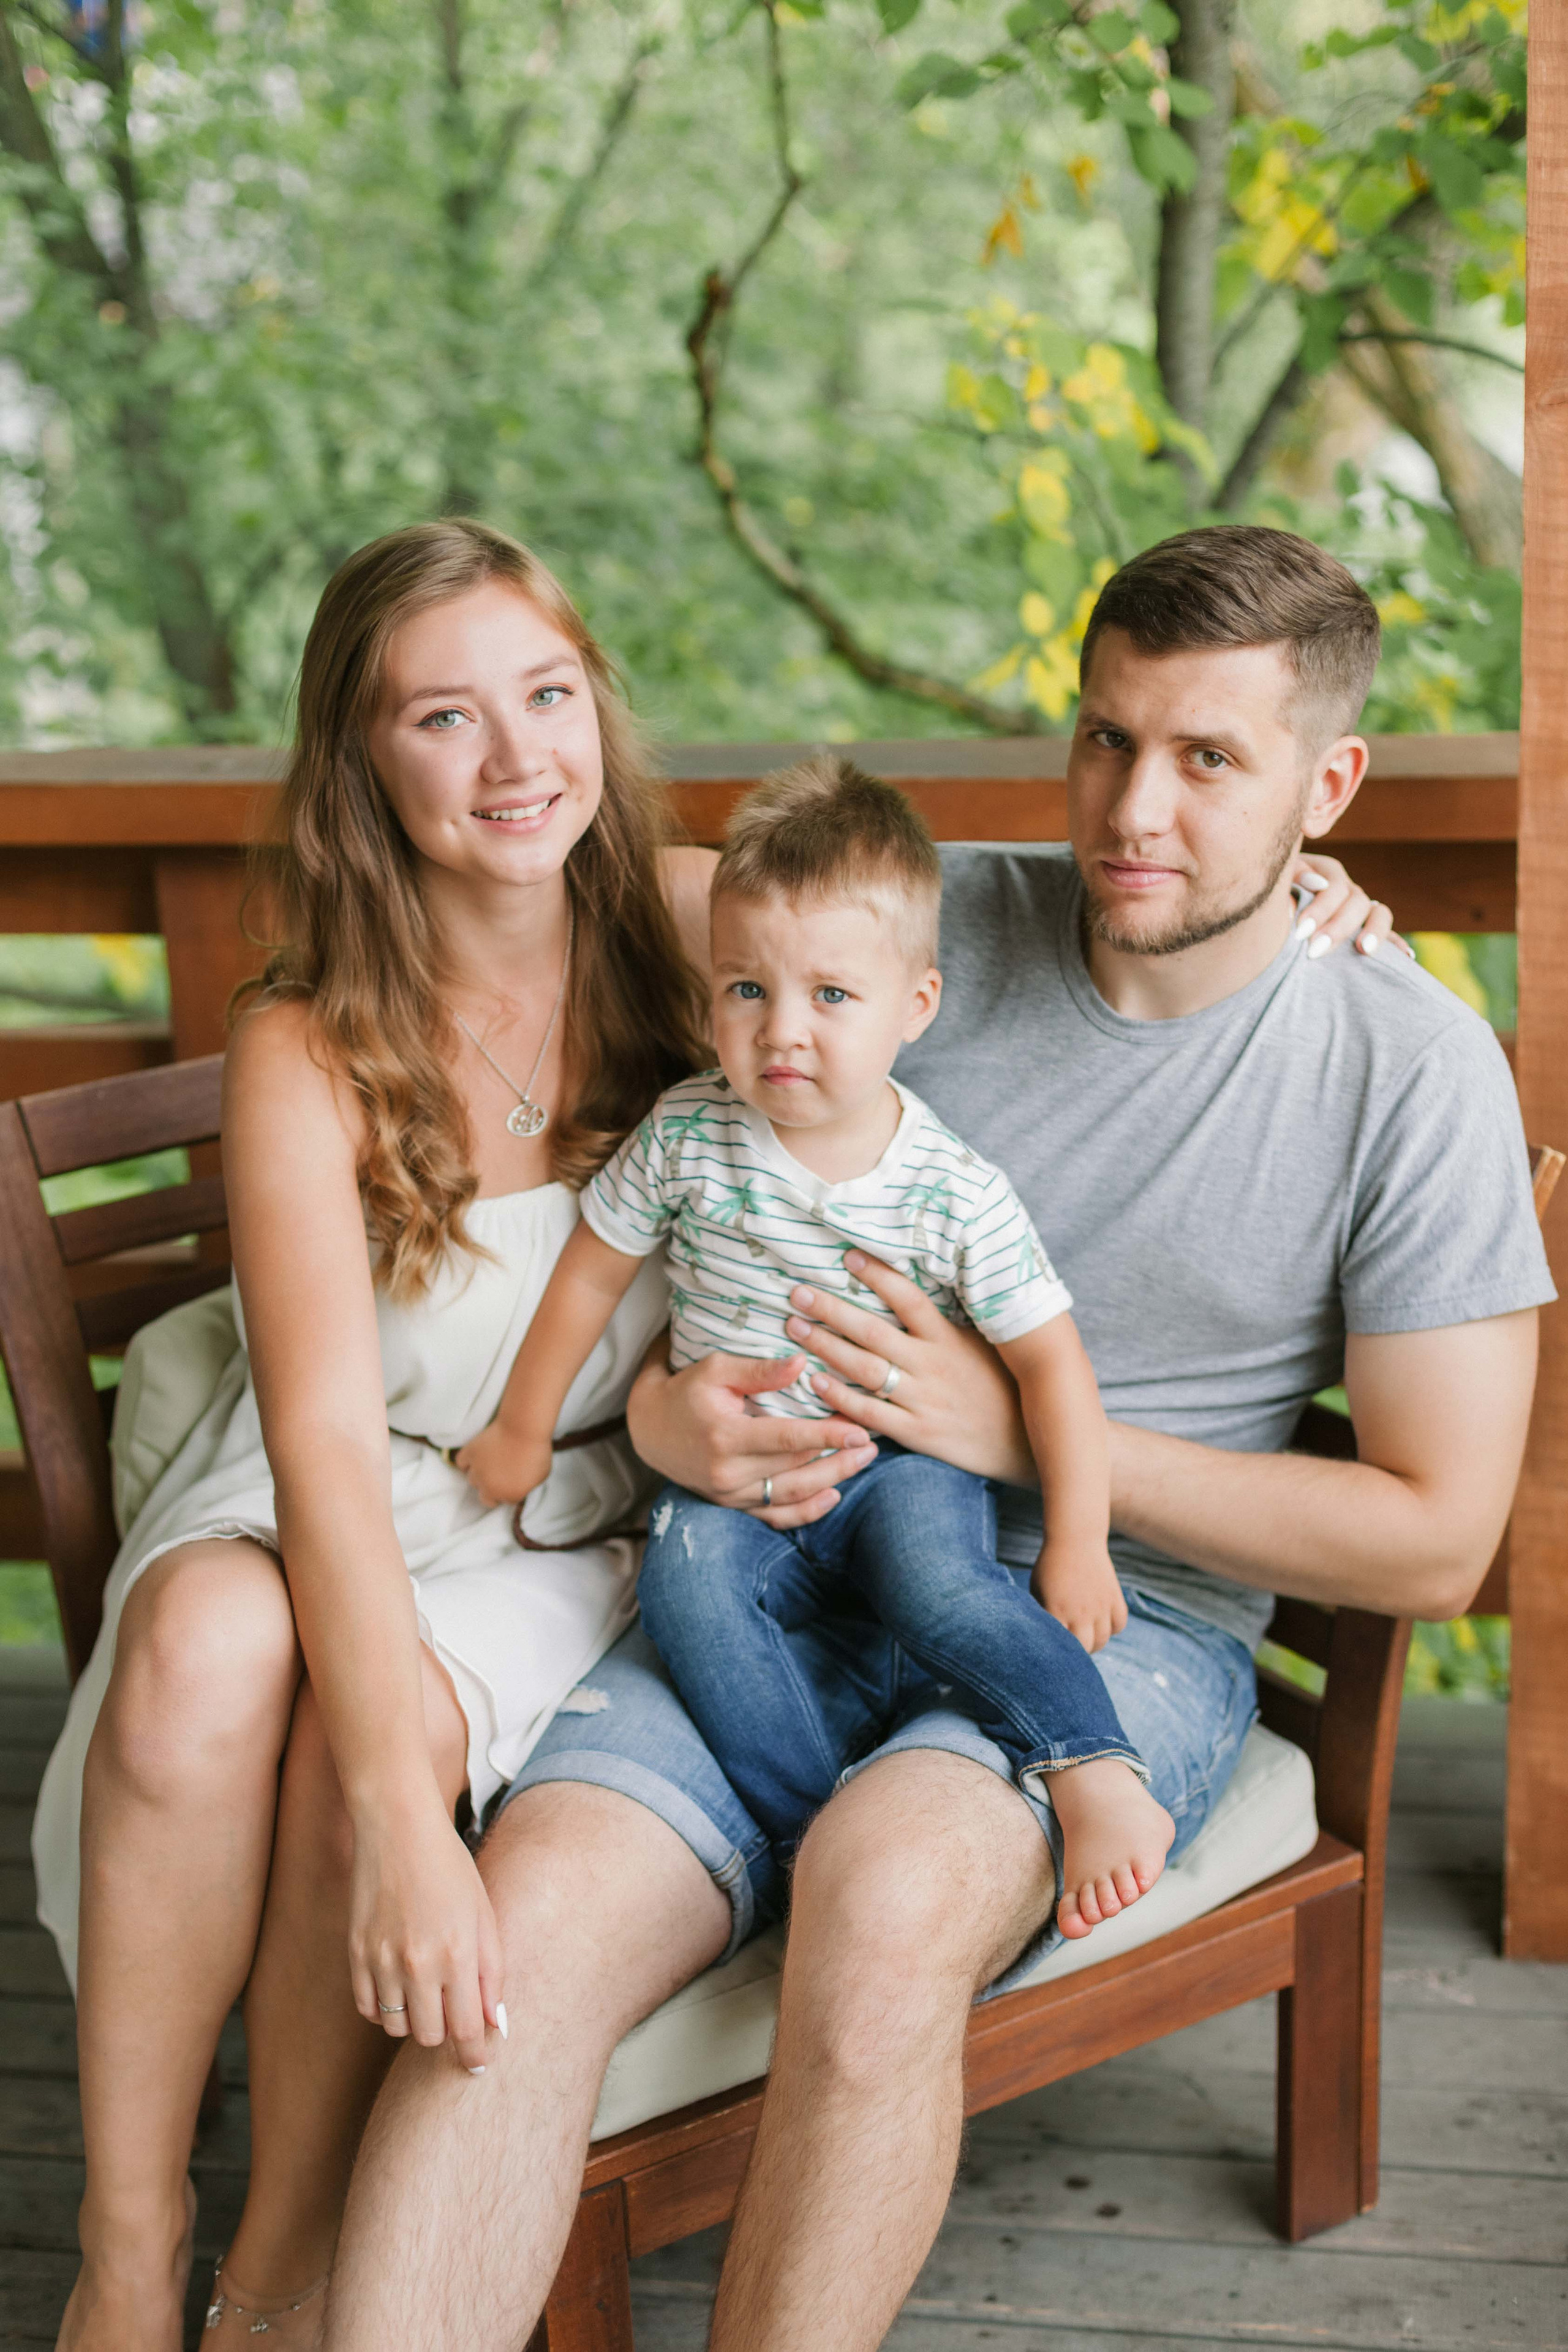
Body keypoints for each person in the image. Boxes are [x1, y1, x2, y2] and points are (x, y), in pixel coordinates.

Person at [319, 525, 1551, 2352]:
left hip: (1109, 1625)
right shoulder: (910, 923)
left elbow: (1438, 1545)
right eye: (1108, 738)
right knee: (528, 1935)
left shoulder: (1407, 1066)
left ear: (1329, 784)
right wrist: (659, 1414)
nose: (1134, 809)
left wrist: (1034, 1443)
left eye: (1213, 760)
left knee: (887, 1894)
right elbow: (547, 857)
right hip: (773, 1564)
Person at [32, 518, 714, 2350]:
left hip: (569, 1507)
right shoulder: (307, 1040)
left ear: (595, 705)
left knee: (379, 1714)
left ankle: (274, 2279)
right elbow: (322, 1445)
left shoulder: (693, 930)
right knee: (197, 1644)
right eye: (443, 716)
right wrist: (407, 1838)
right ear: (361, 760)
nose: (515, 759)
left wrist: (1303, 884)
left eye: (546, 695)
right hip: (335, 1478)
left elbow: (968, 911)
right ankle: (126, 2245)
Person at [459, 757, 1174, 1931]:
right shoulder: (689, 1134)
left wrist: (1080, 1539)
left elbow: (1053, 1363)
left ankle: (1091, 1762)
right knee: (688, 1595)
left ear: (916, 1006)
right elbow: (590, 1271)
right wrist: (521, 1430)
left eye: (832, 995)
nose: (781, 1031)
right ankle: (808, 1828)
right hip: (734, 1481)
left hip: (901, 1471)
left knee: (942, 1589)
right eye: (746, 988)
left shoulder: (950, 1187)